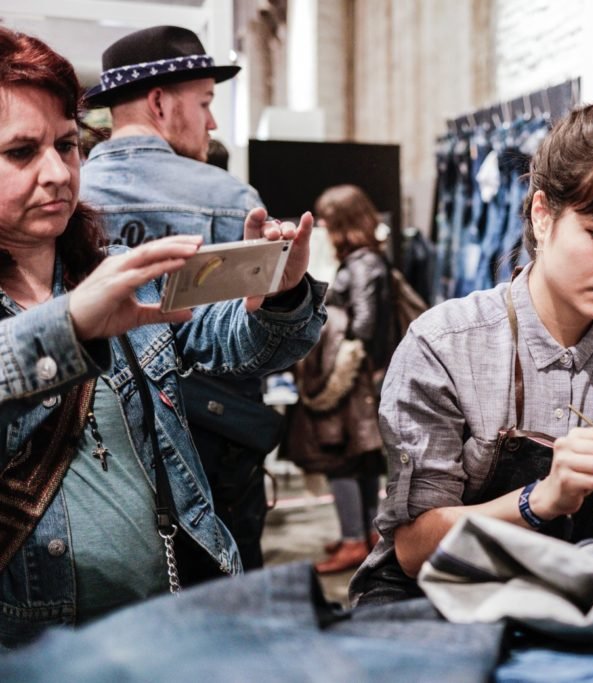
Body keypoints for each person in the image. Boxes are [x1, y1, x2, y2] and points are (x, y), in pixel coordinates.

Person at [0, 27, 326, 648]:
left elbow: (224, 340)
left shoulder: (104, 268)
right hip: (36, 648)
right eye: (21, 152)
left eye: (67, 146)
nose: (58, 173)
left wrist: (278, 296)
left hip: (161, 620)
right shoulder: (94, 287)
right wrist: (68, 326)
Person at [349, 91, 593, 605]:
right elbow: (415, 548)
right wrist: (542, 498)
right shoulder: (443, 345)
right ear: (542, 215)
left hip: (573, 589)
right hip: (434, 598)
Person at [79, 26, 276, 570]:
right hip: (217, 440)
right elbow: (250, 340)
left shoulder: (70, 200)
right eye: (206, 103)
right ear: (160, 102)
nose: (212, 122)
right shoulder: (229, 198)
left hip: (102, 444)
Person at [286, 185, 393, 574]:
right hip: (362, 379)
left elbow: (363, 326)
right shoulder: (370, 260)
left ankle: (354, 540)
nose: (324, 228)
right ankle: (363, 533)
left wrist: (335, 375)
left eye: (328, 220)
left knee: (341, 458)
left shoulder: (362, 265)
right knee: (359, 459)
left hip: (351, 382)